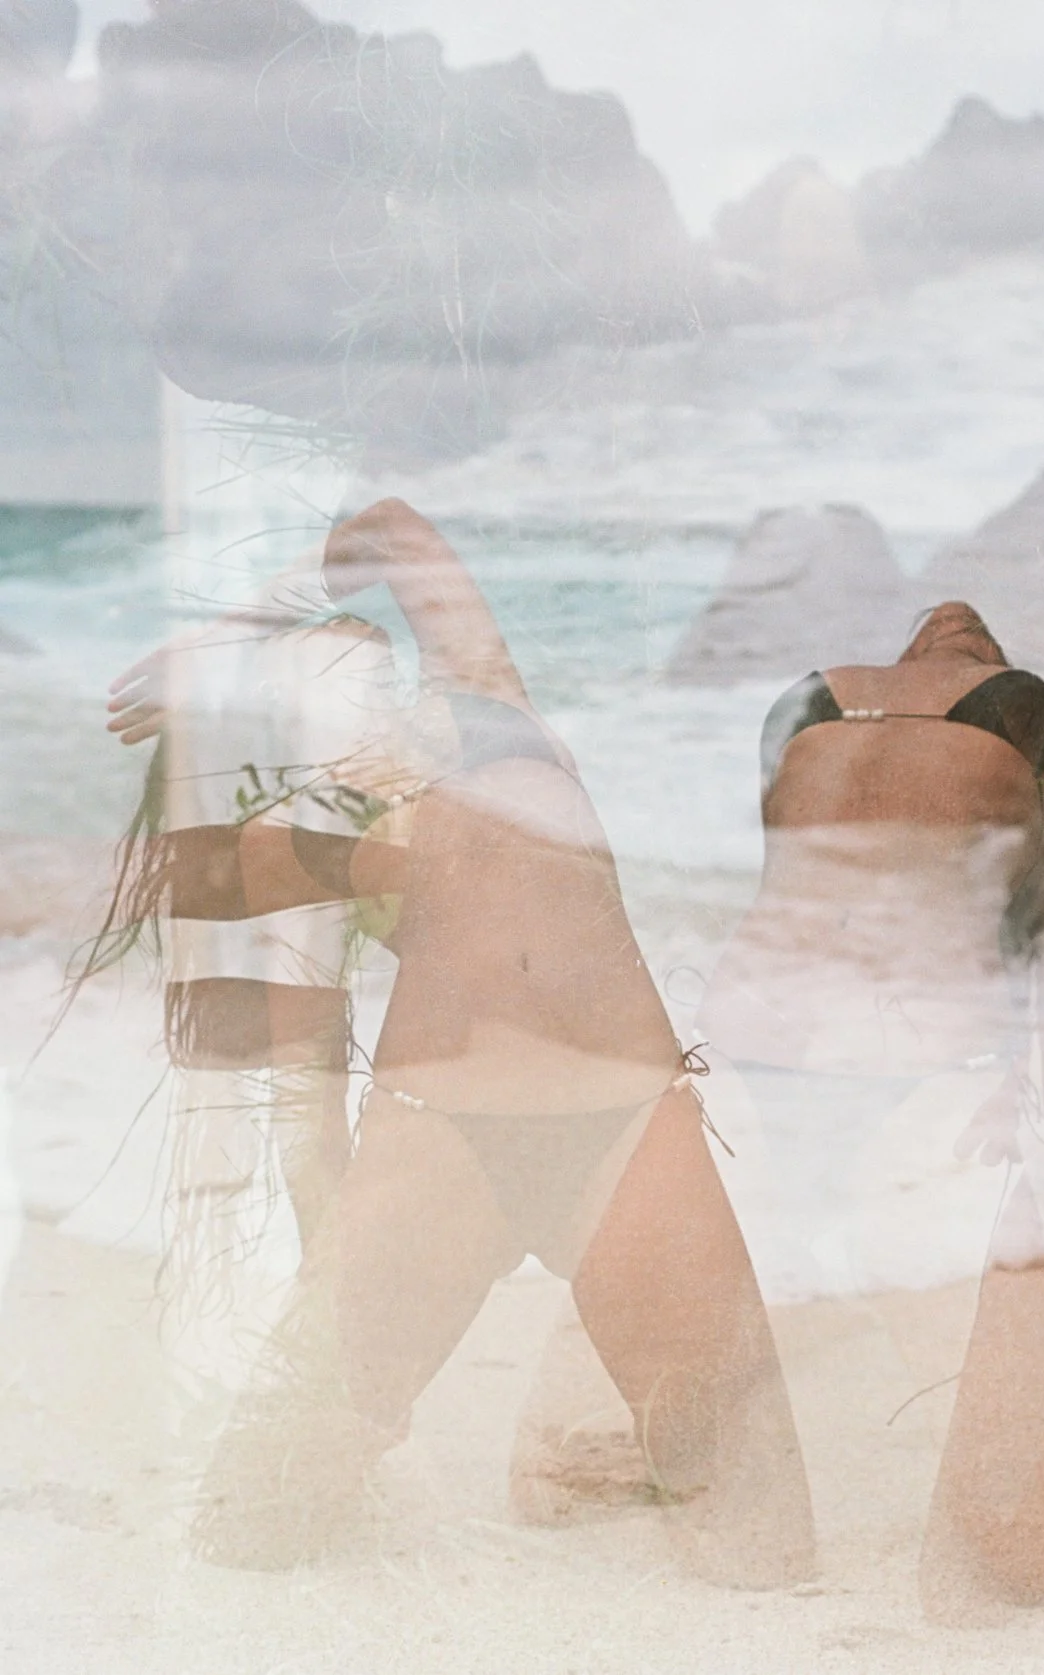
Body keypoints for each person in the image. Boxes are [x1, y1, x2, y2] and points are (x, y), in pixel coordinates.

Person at [102, 498, 814, 1586]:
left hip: (627, 1126)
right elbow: (301, 1074)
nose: (367, 692)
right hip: (439, 1143)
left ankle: (602, 1446)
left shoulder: (488, 704)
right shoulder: (272, 845)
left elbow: (396, 527)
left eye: (371, 668)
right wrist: (338, 1254)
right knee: (253, 1524)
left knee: (764, 1546)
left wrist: (216, 638)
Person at [698, 600, 1044, 1611]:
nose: (959, 619)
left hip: (751, 1053)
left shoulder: (804, 707)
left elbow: (795, 891)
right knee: (1007, 1463)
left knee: (745, 1401)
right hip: (922, 1059)